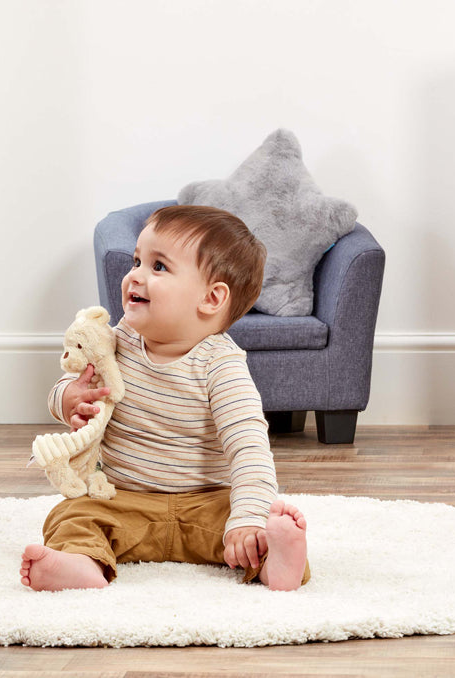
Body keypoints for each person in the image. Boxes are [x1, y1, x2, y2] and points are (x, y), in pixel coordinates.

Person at [20, 205, 310, 591]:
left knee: (253, 529)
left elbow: (249, 450)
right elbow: (67, 385)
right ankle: (81, 564)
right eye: (137, 261)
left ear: (211, 298)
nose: (135, 275)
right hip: (123, 499)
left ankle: (278, 565)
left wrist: (247, 519)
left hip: (205, 503)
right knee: (72, 513)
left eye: (158, 267)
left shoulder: (220, 365)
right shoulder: (114, 342)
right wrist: (70, 398)